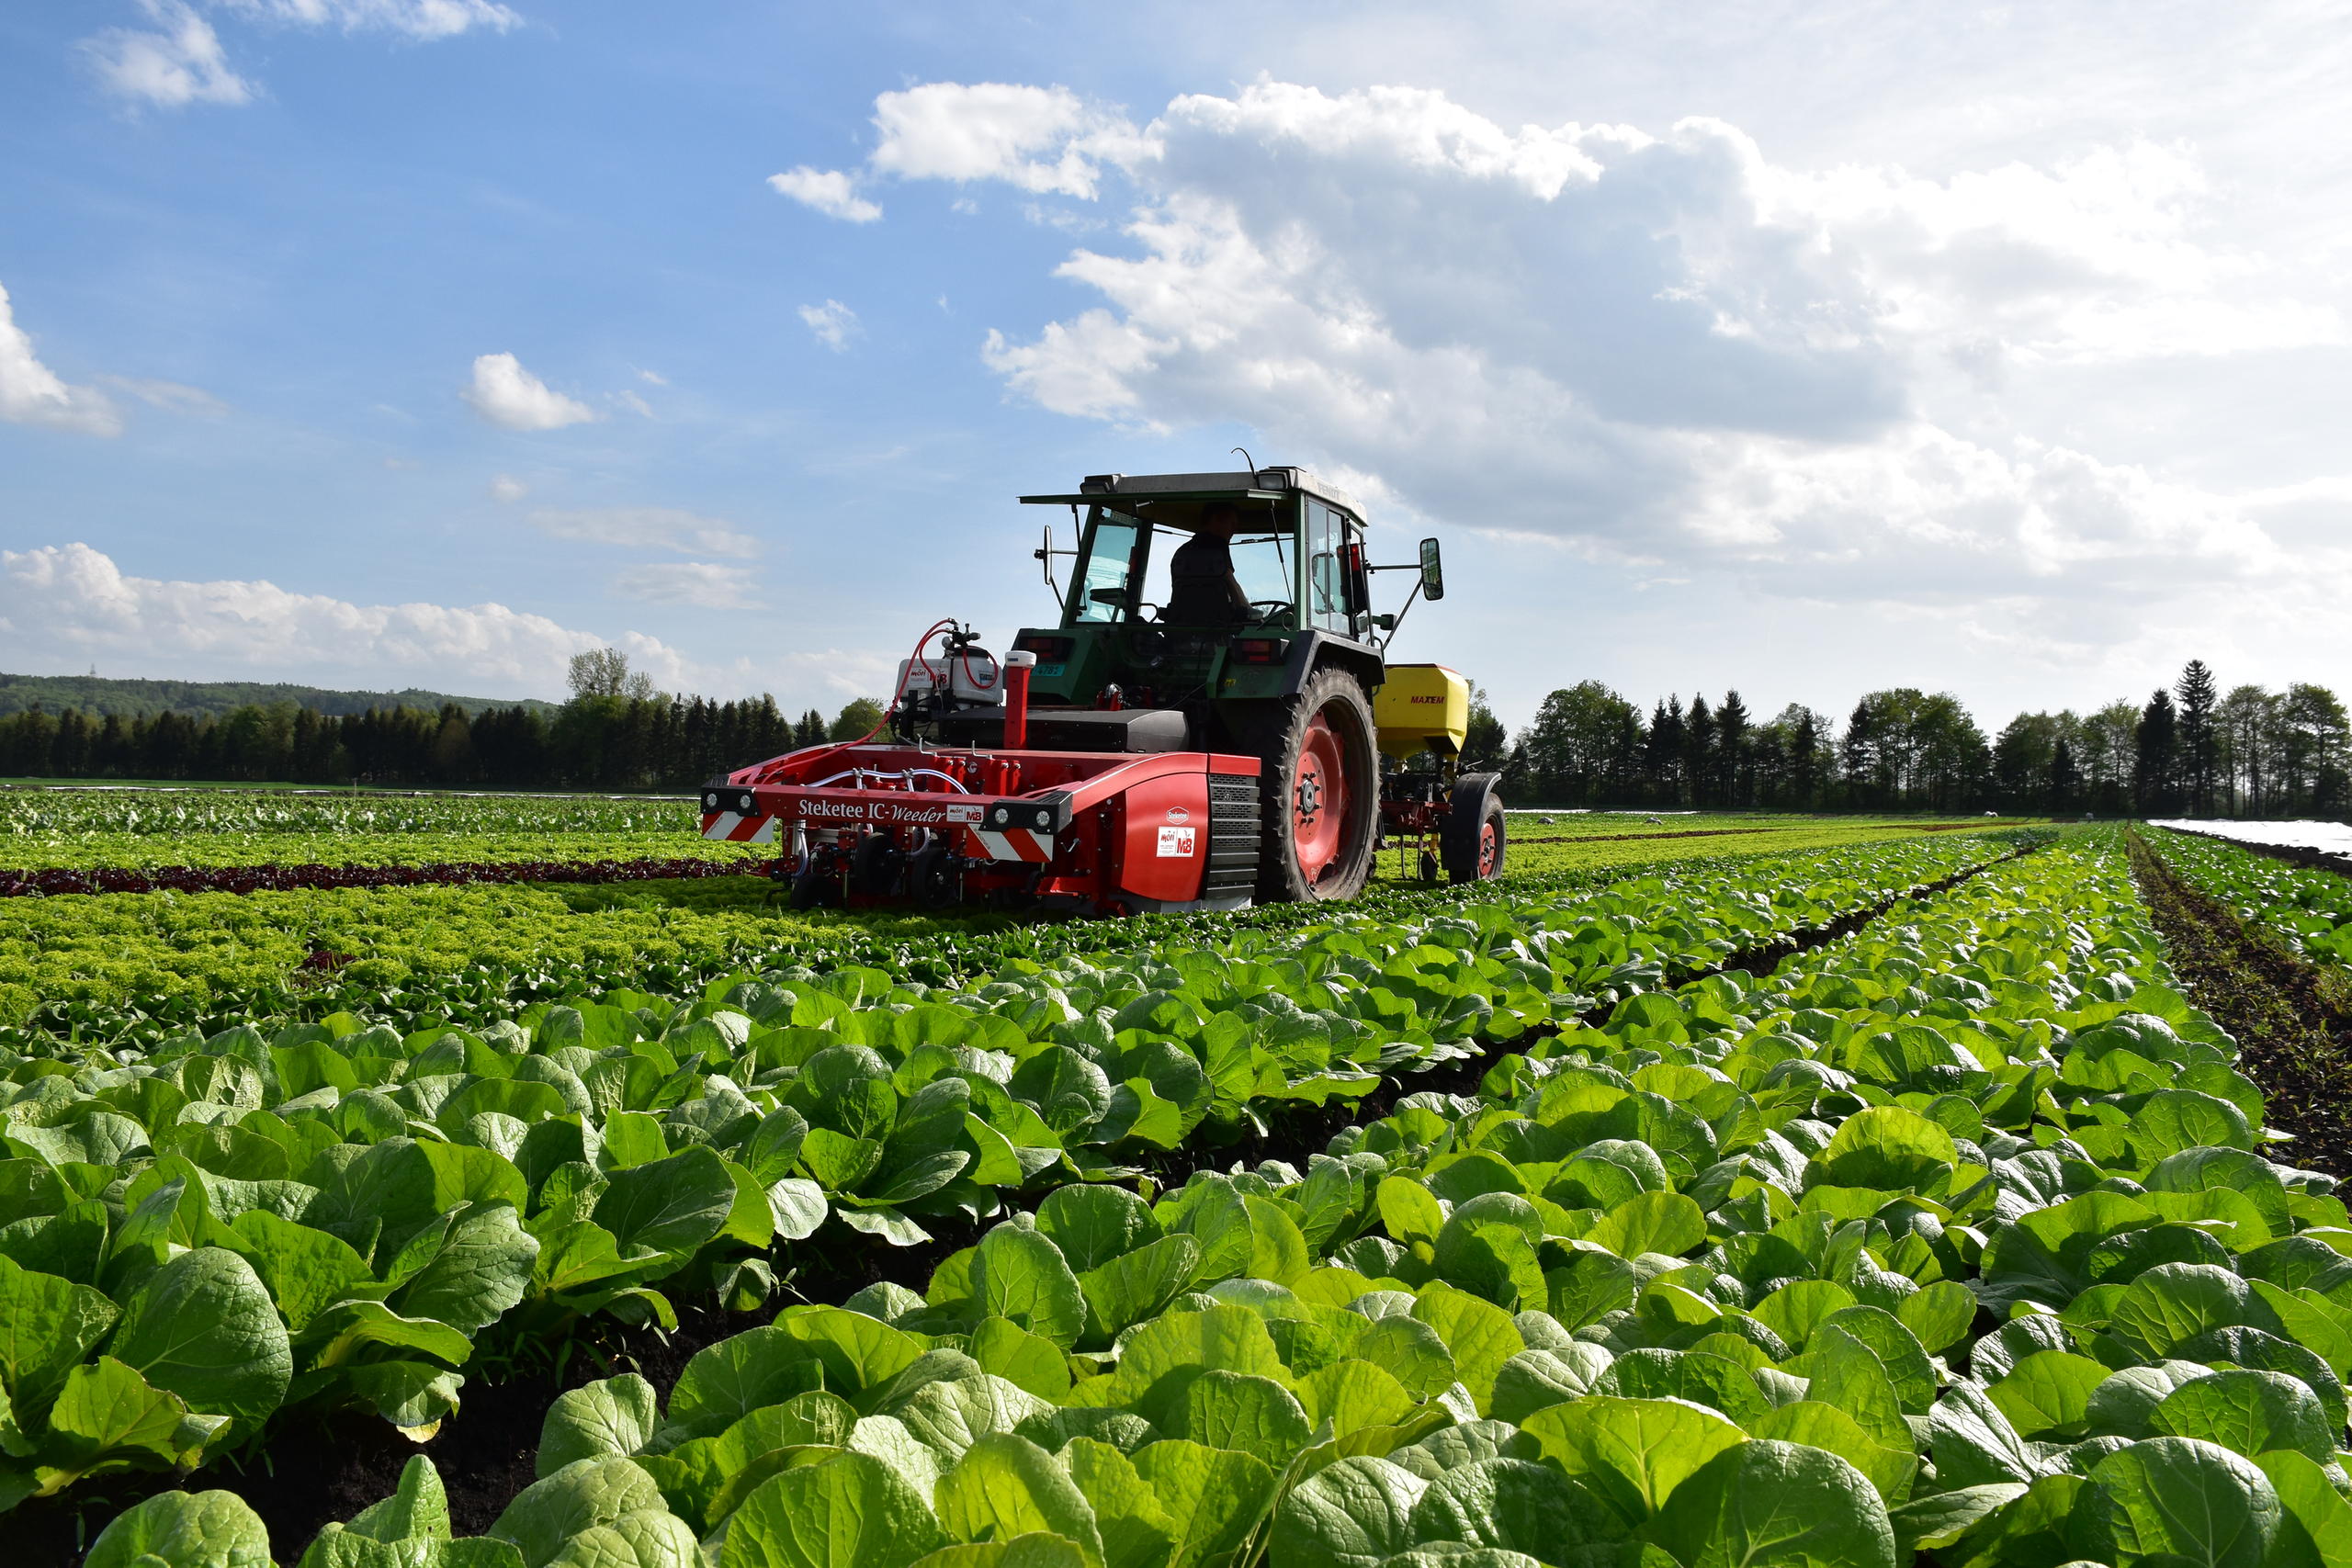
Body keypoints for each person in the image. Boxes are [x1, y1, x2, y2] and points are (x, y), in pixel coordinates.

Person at [1164, 502, 1252, 626]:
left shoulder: (1182, 551)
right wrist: (1249, 611)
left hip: (1180, 627)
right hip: (1217, 629)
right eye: (1232, 524)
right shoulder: (1218, 547)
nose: (1234, 530)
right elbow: (1231, 584)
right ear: (1216, 520)